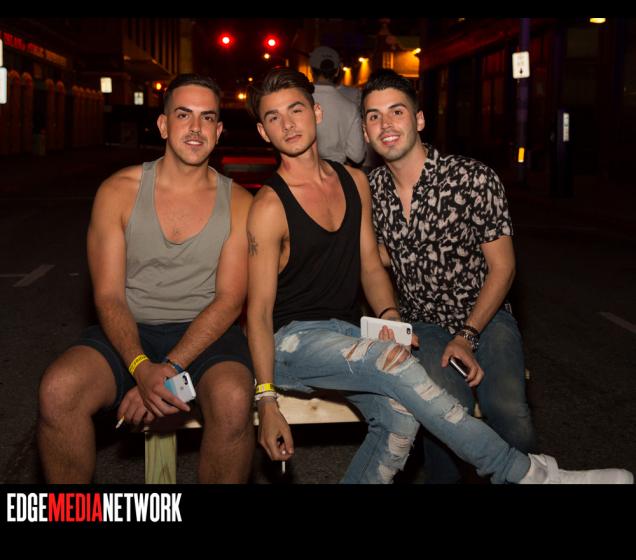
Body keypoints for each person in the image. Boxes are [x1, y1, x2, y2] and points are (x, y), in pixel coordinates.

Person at [244, 66, 632, 485]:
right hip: (296, 339)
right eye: (274, 117)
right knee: (400, 367)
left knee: (404, 418)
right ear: (264, 132)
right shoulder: (272, 206)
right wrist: (266, 399)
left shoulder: (357, 182)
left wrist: (390, 317)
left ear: (317, 113)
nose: (288, 124)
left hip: (368, 328)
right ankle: (527, 472)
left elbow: (370, 263)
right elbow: (259, 311)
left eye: (296, 110)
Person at [37, 74, 255, 483]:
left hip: (206, 334)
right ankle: (72, 510)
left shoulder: (241, 203)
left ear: (219, 130)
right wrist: (140, 367)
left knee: (234, 398)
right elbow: (108, 296)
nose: (196, 128)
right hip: (129, 328)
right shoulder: (118, 191)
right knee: (59, 390)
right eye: (183, 115)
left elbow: (229, 301)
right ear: (163, 125)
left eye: (207, 118)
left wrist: (167, 369)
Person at [361, 68, 535, 483]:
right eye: (373, 116)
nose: (386, 124)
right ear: (365, 133)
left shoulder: (473, 178)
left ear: (419, 120)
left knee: (511, 416)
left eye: (397, 111)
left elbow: (504, 267)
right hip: (422, 324)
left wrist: (467, 335)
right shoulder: (370, 191)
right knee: (445, 416)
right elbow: (378, 258)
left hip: (485, 317)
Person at [309, 45, 366, 166]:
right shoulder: (350, 108)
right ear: (337, 72)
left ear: (311, 71)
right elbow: (357, 155)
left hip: (303, 170)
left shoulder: (299, 101)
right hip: (336, 172)